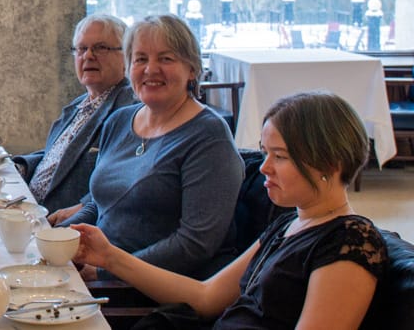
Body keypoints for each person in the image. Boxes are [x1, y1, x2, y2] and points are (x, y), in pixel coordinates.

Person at [71, 91, 387, 329]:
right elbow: (206, 297)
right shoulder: (289, 223)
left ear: (330, 164)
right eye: (266, 153)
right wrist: (110, 256)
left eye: (280, 157)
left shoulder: (350, 241)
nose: (264, 168)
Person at [59, 14, 244, 280]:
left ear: (192, 69)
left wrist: (106, 270)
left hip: (149, 293)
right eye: (141, 59)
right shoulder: (119, 121)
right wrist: (55, 238)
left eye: (166, 58)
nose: (150, 69)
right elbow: (102, 204)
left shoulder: (208, 136)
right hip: (99, 271)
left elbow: (195, 245)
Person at [13, 14, 137, 215]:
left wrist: (83, 208)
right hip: (29, 211)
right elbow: (59, 157)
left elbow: (124, 178)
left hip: (65, 226)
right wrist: (22, 167)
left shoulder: (129, 108)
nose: (88, 56)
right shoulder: (80, 104)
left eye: (100, 47)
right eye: (81, 48)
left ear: (126, 55)